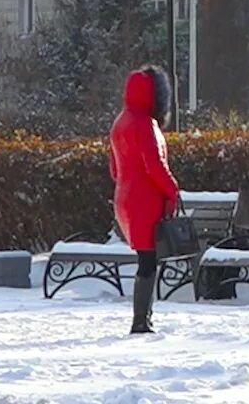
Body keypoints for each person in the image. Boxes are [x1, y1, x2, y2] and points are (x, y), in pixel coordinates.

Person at [108, 65, 180, 335]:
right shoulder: (146, 124)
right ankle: (141, 319)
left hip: (125, 197)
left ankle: (142, 317)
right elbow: (155, 165)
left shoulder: (121, 121)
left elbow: (115, 168)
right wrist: (172, 188)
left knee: (145, 258)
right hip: (146, 199)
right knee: (149, 261)